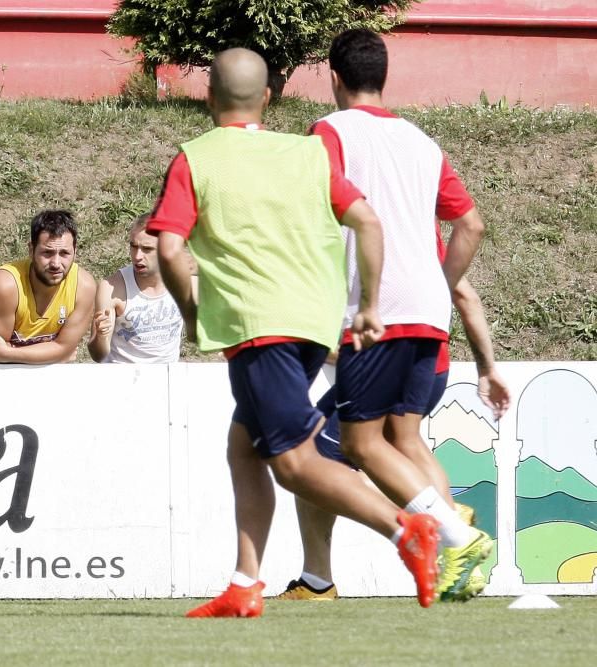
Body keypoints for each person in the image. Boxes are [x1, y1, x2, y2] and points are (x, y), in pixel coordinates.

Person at [149, 47, 443, 617]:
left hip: (260, 325)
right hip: (312, 322)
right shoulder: (307, 152)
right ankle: (244, 582)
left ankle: (408, 530)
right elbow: (367, 219)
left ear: (208, 98)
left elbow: (168, 245)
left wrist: (189, 309)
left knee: (293, 462)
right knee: (245, 447)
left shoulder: (196, 157)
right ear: (268, 97)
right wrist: (369, 303)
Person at [312, 28, 492, 603]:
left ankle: (455, 537)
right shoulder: (423, 142)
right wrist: (439, 287)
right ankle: (463, 556)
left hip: (376, 310)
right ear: (383, 76)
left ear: (333, 77)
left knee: (359, 446)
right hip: (428, 312)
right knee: (404, 437)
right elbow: (471, 225)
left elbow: (321, 209)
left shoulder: (329, 131)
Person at [279, 277, 512, 601]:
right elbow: (464, 293)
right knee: (404, 441)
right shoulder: (415, 234)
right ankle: (453, 532)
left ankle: (446, 524)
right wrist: (486, 368)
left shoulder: (364, 229)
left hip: (386, 357)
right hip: (426, 359)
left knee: (312, 460)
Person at [0, 209, 96, 364]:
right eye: (47, 253)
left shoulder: (83, 287)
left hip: (28, 369)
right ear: (31, 250)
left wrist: (9, 352)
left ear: (75, 251)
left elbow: (64, 348)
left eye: (64, 253)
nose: (56, 263)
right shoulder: (4, 286)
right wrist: (54, 356)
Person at [87, 213, 190, 363]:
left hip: (167, 378)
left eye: (147, 249)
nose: (137, 256)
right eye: (133, 246)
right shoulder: (113, 288)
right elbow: (98, 355)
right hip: (124, 378)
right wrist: (101, 337)